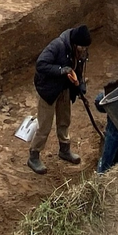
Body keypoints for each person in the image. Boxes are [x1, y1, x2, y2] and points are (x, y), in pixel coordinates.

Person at [28, 24, 91, 174]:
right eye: (82, 48)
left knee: (64, 121)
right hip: (48, 91)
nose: (84, 51)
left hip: (64, 90)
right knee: (44, 126)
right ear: (75, 44)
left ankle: (65, 150)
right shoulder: (57, 46)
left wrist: (80, 86)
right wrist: (61, 70)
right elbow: (41, 64)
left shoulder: (79, 52)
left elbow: (78, 71)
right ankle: (34, 156)